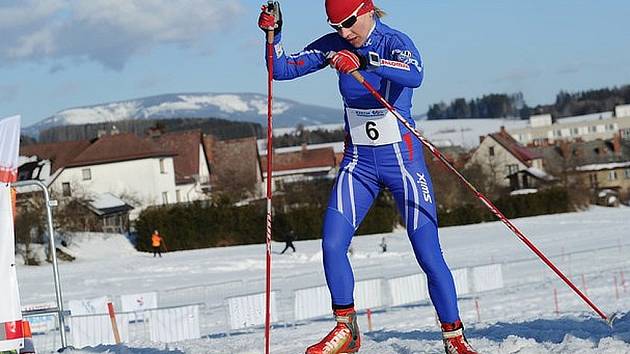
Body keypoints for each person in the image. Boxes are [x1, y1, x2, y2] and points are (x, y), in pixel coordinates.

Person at [259, 1, 478, 354]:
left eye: (348, 23)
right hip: (359, 162)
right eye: (336, 27)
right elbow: (281, 70)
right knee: (331, 244)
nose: (344, 32)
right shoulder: (337, 45)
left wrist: (365, 61)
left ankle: (454, 338)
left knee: (428, 254)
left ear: (368, 11)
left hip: (403, 163)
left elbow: (415, 74)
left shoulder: (394, 41)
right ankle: (346, 330)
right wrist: (274, 34)